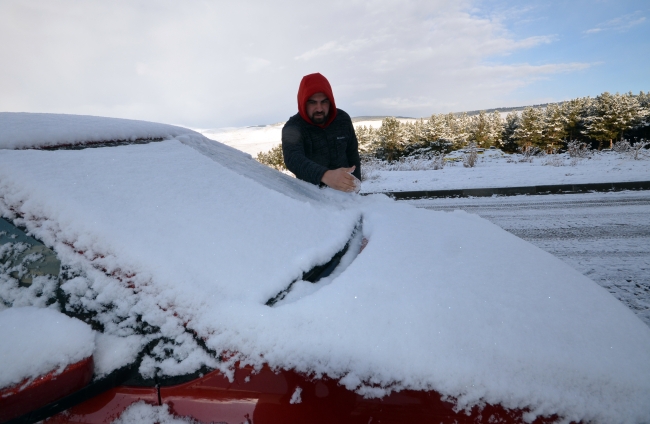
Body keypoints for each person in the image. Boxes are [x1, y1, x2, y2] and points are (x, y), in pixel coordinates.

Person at [282, 73, 361, 193]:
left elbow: (352, 153)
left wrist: (356, 186)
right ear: (303, 102)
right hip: (312, 198)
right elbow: (293, 159)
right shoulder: (293, 127)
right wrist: (325, 175)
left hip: (346, 195)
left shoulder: (342, 119)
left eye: (324, 102)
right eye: (312, 102)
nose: (319, 109)